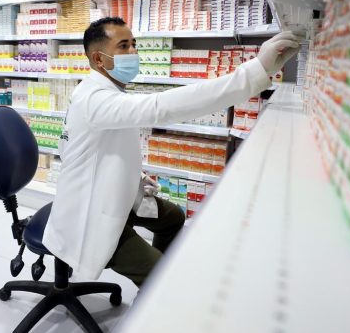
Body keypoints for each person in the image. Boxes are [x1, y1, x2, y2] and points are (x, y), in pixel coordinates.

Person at [42, 17, 300, 288]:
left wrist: (134, 176)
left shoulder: (105, 92)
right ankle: (154, 285)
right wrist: (254, 71)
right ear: (98, 59)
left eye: (133, 44)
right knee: (161, 279)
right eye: (123, 46)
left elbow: (90, 152)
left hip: (113, 195)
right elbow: (161, 107)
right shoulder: (94, 99)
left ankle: (152, 276)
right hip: (89, 217)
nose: (133, 52)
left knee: (173, 217)